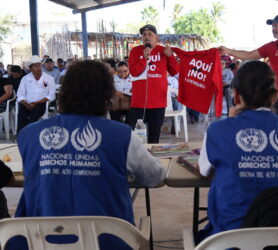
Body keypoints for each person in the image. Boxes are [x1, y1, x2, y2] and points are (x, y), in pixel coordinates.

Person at [14, 60, 166, 249]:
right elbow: (155, 177)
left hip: (39, 241)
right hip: (107, 242)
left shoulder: (29, 134)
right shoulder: (122, 135)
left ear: (64, 93)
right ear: (106, 94)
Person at [197, 61, 278, 241]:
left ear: (236, 96)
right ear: (275, 96)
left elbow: (204, 169)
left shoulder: (218, 131)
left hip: (231, 240)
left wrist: (230, 123)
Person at [219, 14, 278, 120]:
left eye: (276, 25)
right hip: (270, 94)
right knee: (269, 125)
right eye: (272, 26)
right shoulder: (271, 46)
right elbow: (249, 55)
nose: (273, 29)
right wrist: (228, 51)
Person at [128, 24, 179, 143]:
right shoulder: (136, 51)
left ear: (157, 37)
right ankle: (136, 160)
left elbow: (176, 71)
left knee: (154, 135)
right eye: (144, 35)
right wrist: (144, 58)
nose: (147, 37)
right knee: (135, 137)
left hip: (158, 101)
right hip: (139, 102)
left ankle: (152, 160)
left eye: (150, 34)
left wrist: (170, 56)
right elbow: (134, 72)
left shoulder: (163, 51)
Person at [16, 55, 56, 132]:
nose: (38, 68)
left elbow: (51, 96)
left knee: (34, 115)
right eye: (35, 66)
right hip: (26, 103)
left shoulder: (49, 78)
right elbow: (20, 95)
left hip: (41, 103)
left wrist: (36, 103)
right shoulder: (25, 78)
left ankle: (24, 132)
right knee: (21, 115)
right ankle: (20, 135)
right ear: (31, 68)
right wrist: (26, 104)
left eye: (39, 65)